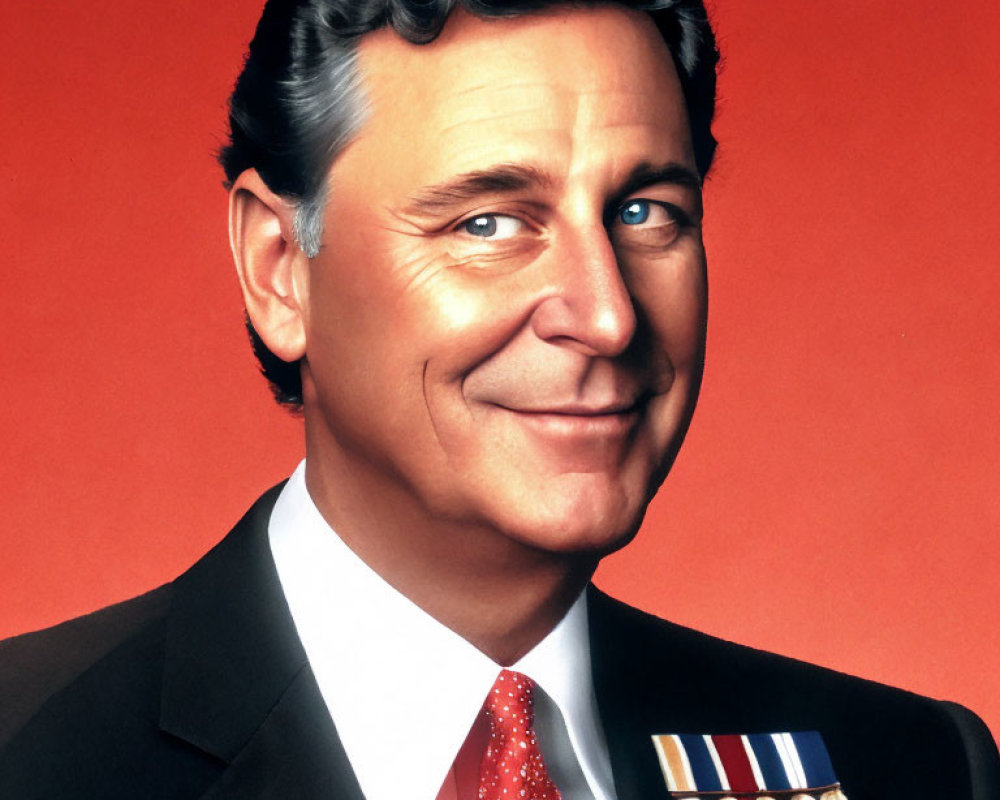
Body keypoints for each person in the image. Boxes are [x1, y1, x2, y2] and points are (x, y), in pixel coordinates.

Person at [0, 1, 997, 798]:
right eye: (487, 222)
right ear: (278, 270)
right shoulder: (28, 755)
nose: (606, 314)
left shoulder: (904, 768)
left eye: (646, 211)